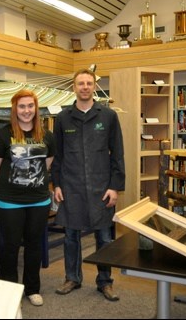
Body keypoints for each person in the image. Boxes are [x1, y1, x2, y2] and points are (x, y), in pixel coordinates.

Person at [51, 68, 125, 302]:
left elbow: (118, 155)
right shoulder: (63, 118)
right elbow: (58, 155)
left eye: (88, 83)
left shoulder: (109, 116)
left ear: (94, 87)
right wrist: (57, 185)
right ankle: (72, 277)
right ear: (74, 87)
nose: (84, 87)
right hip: (71, 187)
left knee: (104, 238)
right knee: (71, 237)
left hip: (101, 188)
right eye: (80, 83)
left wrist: (114, 186)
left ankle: (105, 281)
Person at [0, 89, 56, 307]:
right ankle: (9, 292)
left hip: (39, 201)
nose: (26, 111)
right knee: (10, 247)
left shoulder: (47, 136)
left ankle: (32, 289)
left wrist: (31, 184)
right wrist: (14, 186)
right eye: (22, 106)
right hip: (9, 202)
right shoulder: (2, 135)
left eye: (30, 106)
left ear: (36, 109)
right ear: (15, 109)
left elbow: (47, 165)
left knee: (35, 245)